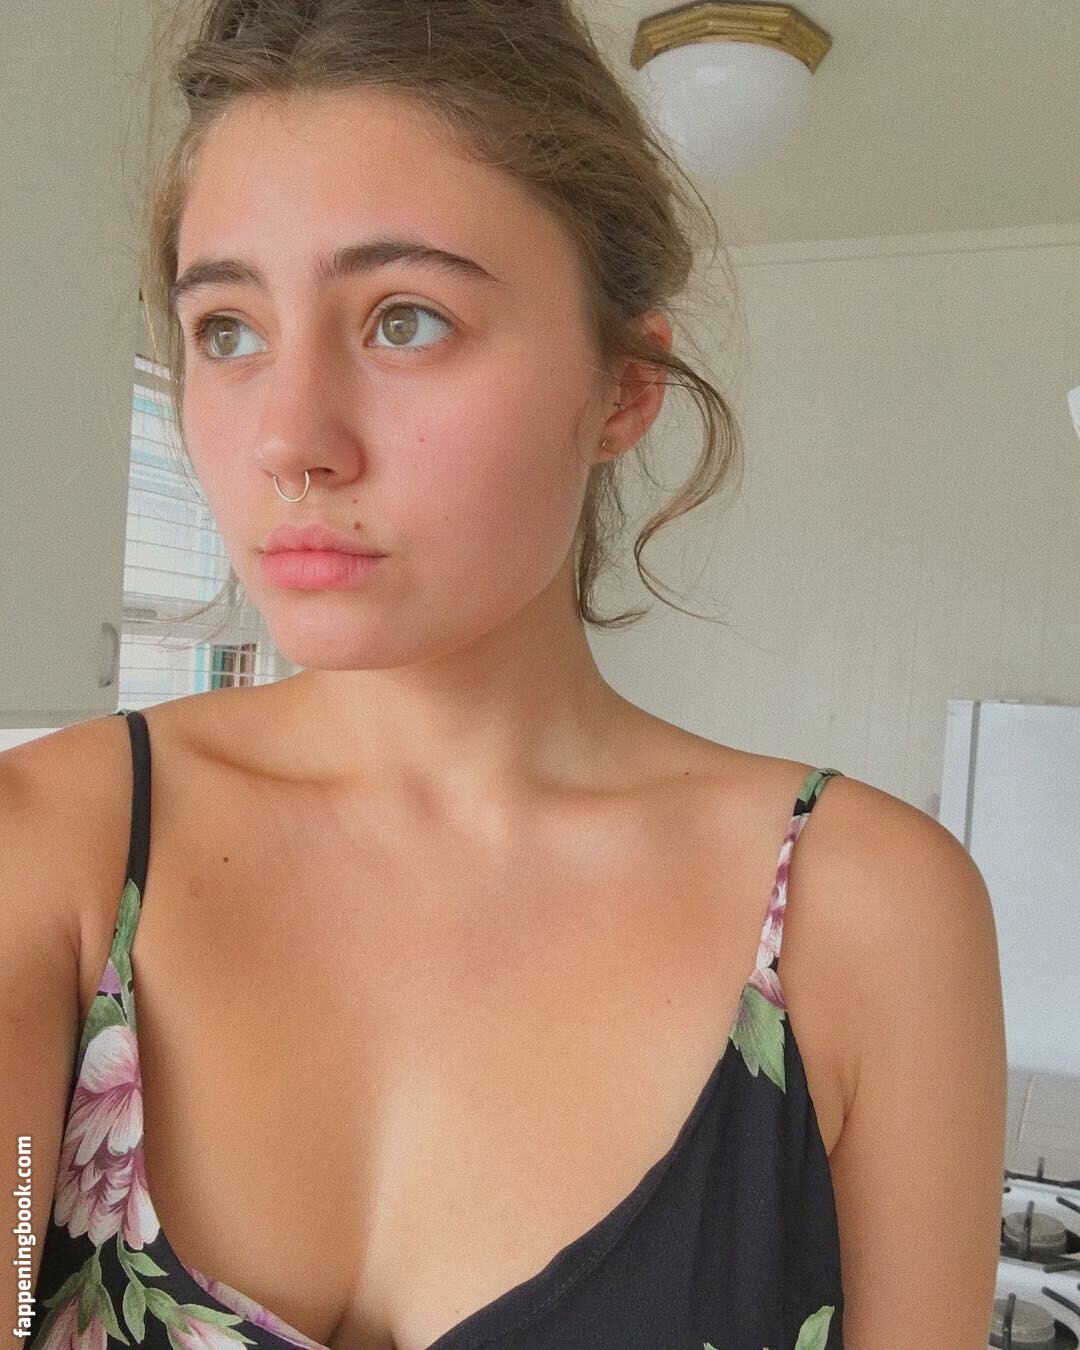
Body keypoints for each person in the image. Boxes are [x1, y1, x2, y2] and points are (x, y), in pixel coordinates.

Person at [5, 2, 1007, 1347]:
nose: (291, 439)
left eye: (405, 319)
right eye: (228, 329)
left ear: (624, 386)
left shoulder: (864, 917)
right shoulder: (49, 852)